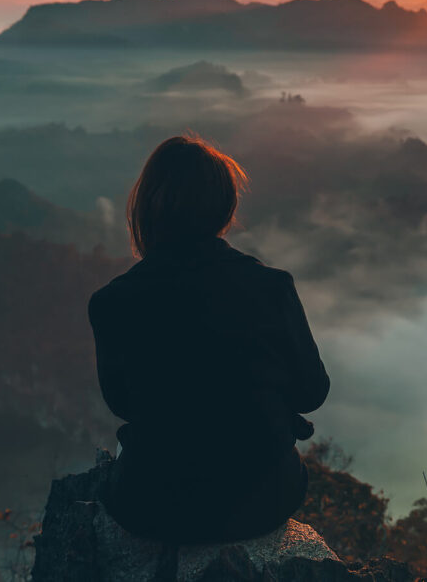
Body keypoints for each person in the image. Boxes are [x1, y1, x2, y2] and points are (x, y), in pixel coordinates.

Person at [87, 134, 330, 545]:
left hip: (151, 504)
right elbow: (312, 392)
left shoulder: (113, 302)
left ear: (147, 207)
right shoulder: (271, 287)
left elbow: (122, 402)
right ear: (224, 206)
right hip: (263, 498)